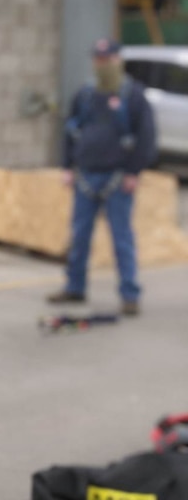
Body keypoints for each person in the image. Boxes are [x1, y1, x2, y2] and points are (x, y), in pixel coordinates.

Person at [47, 38, 157, 316]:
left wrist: (134, 172)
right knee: (80, 236)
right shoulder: (85, 94)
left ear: (118, 60)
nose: (102, 65)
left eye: (107, 60)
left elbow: (146, 137)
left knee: (121, 239)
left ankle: (130, 295)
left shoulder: (133, 95)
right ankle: (75, 287)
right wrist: (67, 166)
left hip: (117, 180)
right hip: (85, 177)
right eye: (98, 59)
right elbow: (70, 130)